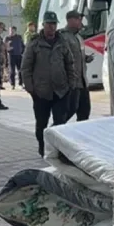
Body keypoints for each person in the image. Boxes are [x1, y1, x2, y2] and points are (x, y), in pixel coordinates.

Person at [21, 11, 76, 157]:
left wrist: (71, 83)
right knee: (41, 124)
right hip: (41, 92)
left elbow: (70, 63)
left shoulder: (62, 41)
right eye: (49, 24)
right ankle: (42, 146)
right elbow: (26, 67)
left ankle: (59, 150)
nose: (51, 27)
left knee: (60, 123)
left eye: (54, 24)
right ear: (43, 25)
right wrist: (30, 88)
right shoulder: (34, 43)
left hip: (61, 90)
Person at [59, 11, 93, 122]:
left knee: (85, 111)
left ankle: (80, 137)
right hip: (71, 83)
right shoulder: (63, 37)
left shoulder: (78, 37)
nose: (80, 22)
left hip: (82, 82)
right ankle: (54, 132)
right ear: (70, 20)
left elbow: (78, 55)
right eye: (78, 19)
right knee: (69, 111)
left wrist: (86, 58)